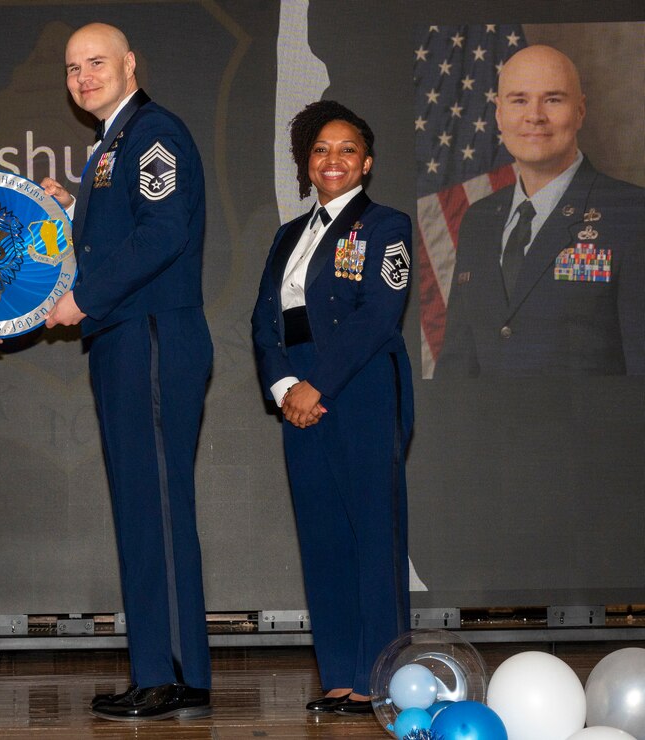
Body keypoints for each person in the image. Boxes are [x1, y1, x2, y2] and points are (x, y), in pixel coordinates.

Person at [40, 22, 213, 722]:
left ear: (130, 63)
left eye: (96, 62)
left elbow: (161, 234)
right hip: (126, 337)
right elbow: (121, 235)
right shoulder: (112, 142)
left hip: (149, 336)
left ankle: (173, 673)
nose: (83, 76)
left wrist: (81, 297)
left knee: (158, 507)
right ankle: (157, 668)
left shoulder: (153, 131)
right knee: (142, 507)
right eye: (73, 67)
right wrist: (68, 212)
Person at [251, 100, 413, 715]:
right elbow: (265, 323)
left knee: (372, 534)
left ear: (366, 163)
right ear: (307, 164)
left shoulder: (387, 225)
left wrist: (318, 384)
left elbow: (378, 314)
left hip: (360, 386)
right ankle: (342, 676)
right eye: (321, 150)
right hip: (298, 394)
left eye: (347, 149)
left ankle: (383, 678)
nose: (333, 158)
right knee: (322, 537)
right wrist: (284, 388)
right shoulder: (287, 235)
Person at [435, 44, 644, 377]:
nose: (534, 116)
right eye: (519, 100)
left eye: (553, 99)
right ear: (499, 114)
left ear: (580, 111)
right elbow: (458, 368)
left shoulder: (632, 214)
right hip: (490, 429)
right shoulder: (479, 220)